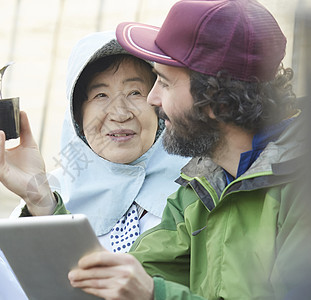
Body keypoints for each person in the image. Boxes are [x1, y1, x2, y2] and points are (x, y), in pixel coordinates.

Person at [0, 31, 188, 299]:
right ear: (77, 116)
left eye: (135, 92)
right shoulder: (54, 194)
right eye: (100, 94)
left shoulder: (195, 193)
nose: (119, 112)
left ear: (159, 101)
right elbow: (5, 279)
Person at [62, 0, 311, 299]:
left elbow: (146, 287)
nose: (152, 100)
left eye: (164, 84)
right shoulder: (200, 185)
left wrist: (155, 295)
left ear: (216, 101)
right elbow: (128, 276)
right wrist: (39, 197)